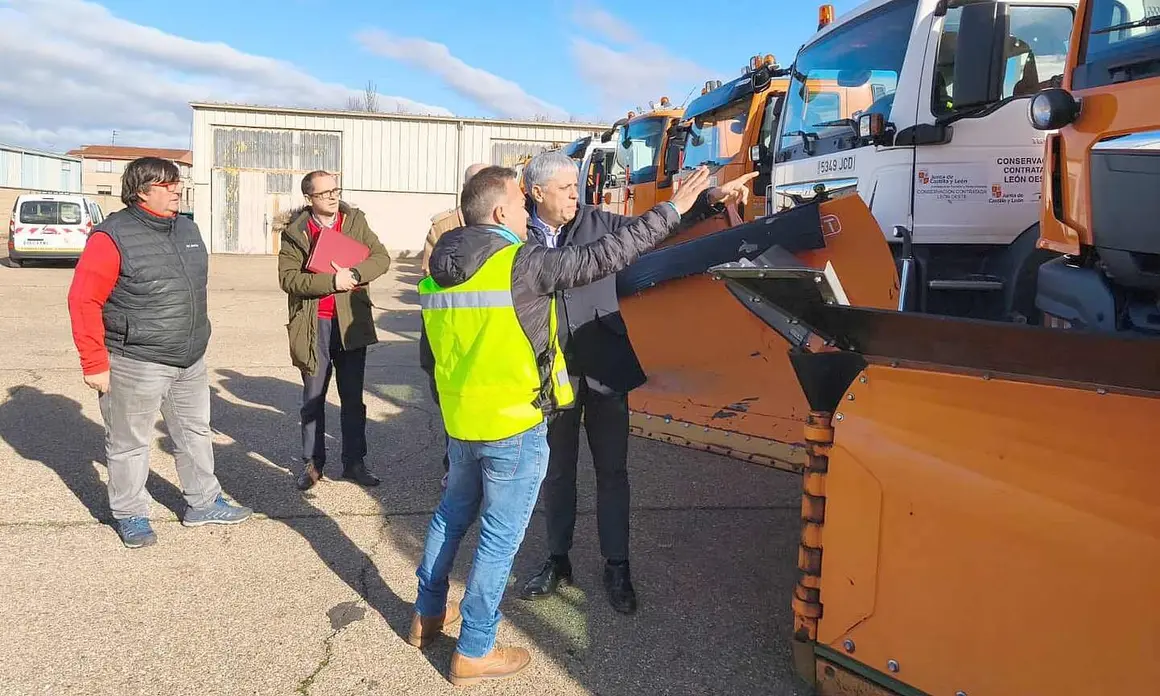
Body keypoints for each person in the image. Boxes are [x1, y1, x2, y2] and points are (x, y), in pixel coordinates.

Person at [409, 164, 717, 686]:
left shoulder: (441, 267)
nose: (531, 211)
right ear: (506, 207)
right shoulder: (521, 260)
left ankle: (428, 615)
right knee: (500, 539)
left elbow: (429, 354)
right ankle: (476, 648)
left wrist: (696, 208)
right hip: (518, 417)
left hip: (467, 419)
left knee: (450, 518)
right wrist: (672, 206)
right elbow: (607, 259)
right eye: (524, 202)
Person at [517, 150, 757, 614]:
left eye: (577, 185)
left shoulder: (597, 223)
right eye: (566, 188)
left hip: (606, 364)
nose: (575, 194)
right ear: (537, 192)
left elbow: (656, 229)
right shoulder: (517, 233)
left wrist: (707, 200)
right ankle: (557, 559)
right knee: (559, 471)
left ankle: (617, 566)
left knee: (613, 472)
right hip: (552, 372)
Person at [66, 156, 253, 549]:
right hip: (134, 360)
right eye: (166, 184)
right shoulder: (111, 236)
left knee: (195, 433)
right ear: (140, 190)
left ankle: (203, 503)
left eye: (176, 181)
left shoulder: (187, 228)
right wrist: (94, 363)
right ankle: (131, 513)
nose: (176, 188)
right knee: (129, 442)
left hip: (189, 356)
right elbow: (84, 301)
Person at [276, 171, 393, 491]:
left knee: (353, 398)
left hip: (351, 323)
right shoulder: (296, 232)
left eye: (335, 190)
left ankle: (355, 463)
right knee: (313, 398)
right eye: (324, 192)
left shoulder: (354, 221)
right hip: (315, 326)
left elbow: (381, 258)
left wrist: (354, 273)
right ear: (309, 198)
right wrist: (331, 282)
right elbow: (288, 279)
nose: (332, 197)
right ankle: (313, 465)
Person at [421, 162, 487, 489]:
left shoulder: (513, 223)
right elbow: (431, 279)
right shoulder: (443, 227)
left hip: (490, 334)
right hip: (453, 336)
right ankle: (455, 467)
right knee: (454, 409)